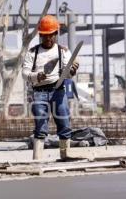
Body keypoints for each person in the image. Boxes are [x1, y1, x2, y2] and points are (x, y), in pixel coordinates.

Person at [22, 15, 79, 160]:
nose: (48, 39)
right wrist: (36, 76)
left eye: (51, 35)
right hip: (39, 93)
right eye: (45, 36)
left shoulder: (63, 51)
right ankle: (38, 158)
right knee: (41, 126)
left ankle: (66, 155)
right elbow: (24, 73)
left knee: (64, 124)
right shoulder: (32, 52)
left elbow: (68, 73)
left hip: (58, 91)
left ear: (56, 34)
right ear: (41, 35)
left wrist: (72, 71)